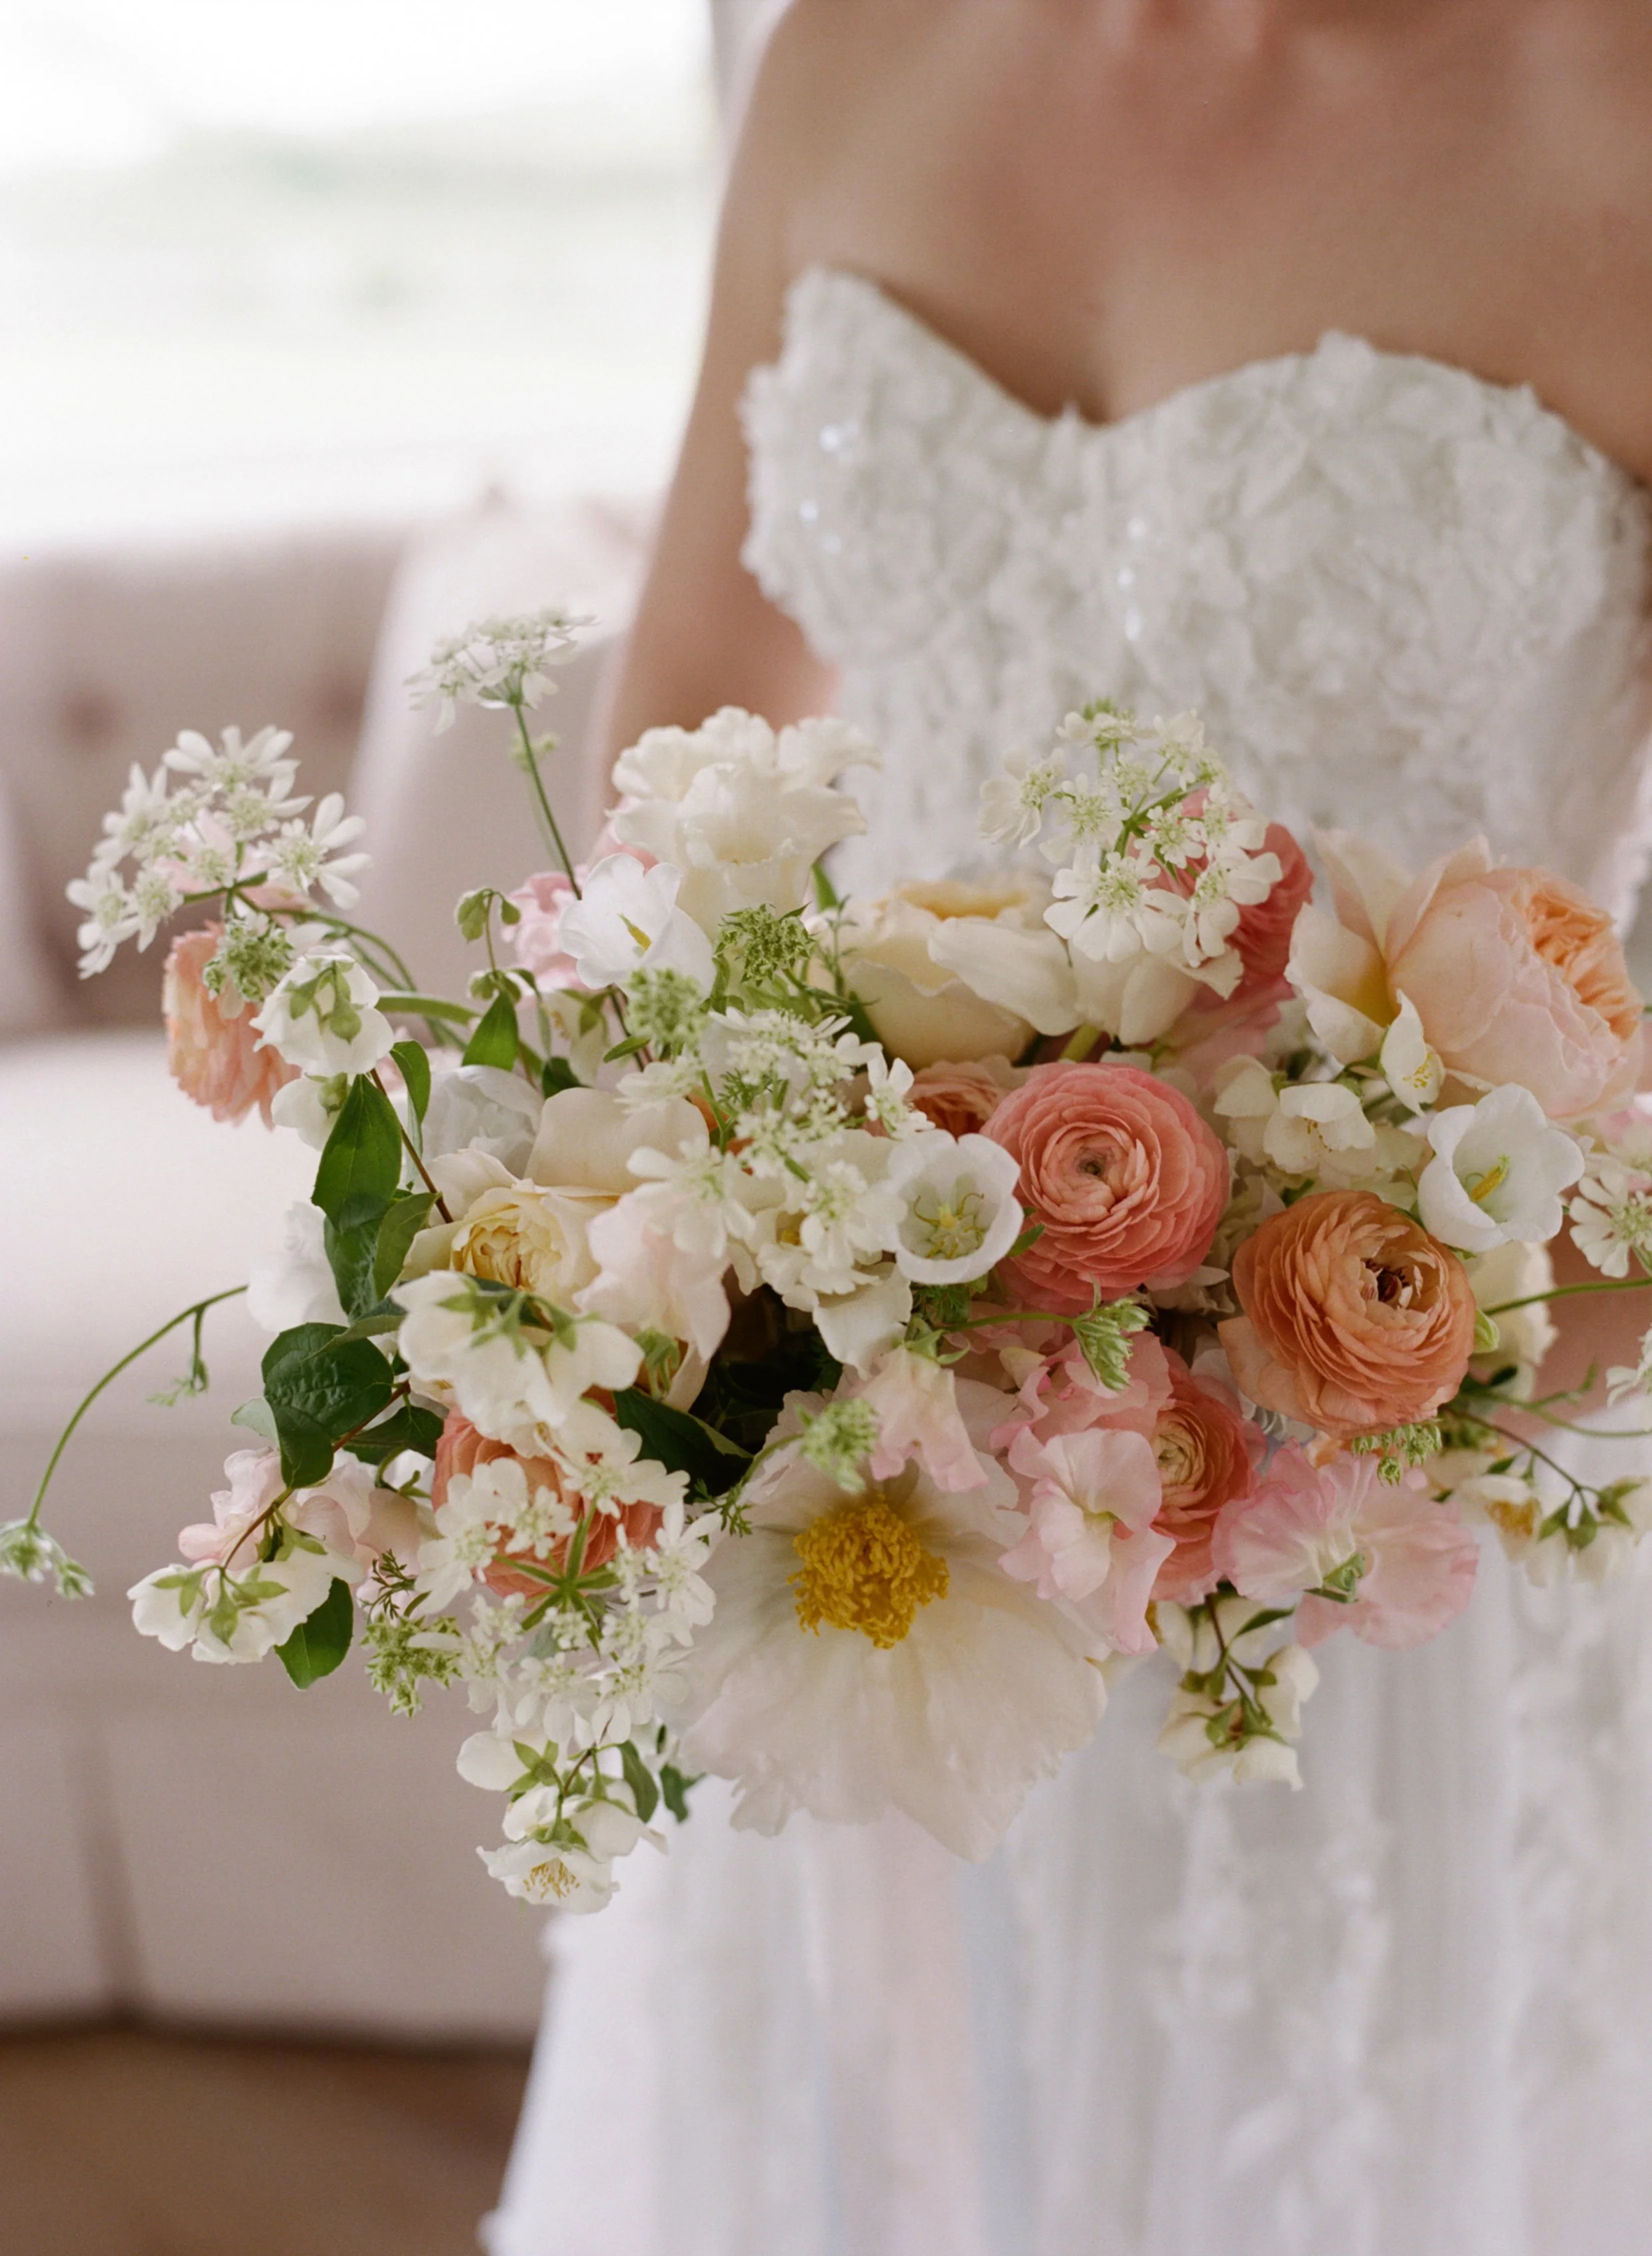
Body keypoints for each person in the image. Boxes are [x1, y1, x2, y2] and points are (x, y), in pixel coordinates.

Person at [486, 6, 1652, 2251]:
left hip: (1378, 1536)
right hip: (858, 1482)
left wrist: (1294, 1403)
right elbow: (683, 748)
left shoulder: (1608, 101)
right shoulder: (852, 42)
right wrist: (683, 1266)